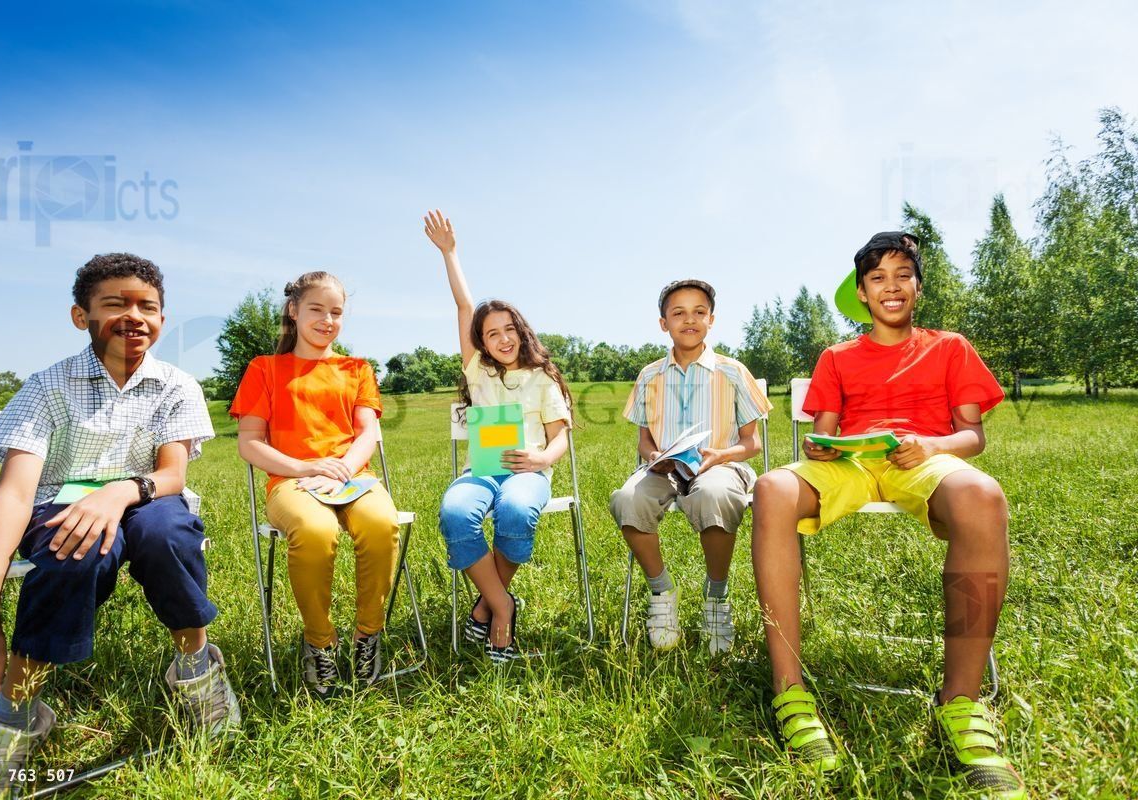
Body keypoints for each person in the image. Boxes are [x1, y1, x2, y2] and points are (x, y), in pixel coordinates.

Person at [0, 253, 239, 798]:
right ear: (81, 316)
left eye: (147, 306)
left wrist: (120, 491)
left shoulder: (175, 384)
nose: (133, 316)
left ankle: (196, 669)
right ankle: (16, 713)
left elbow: (171, 474)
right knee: (75, 550)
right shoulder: (47, 387)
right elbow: (15, 492)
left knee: (168, 534)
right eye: (114, 304)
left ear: (162, 320)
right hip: (59, 504)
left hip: (148, 498)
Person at [750, 232, 1024, 798]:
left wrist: (930, 445)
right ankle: (790, 694)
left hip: (918, 458)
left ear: (918, 287)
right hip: (854, 465)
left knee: (984, 496)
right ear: (862, 292)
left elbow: (972, 435)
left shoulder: (949, 347)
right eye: (878, 278)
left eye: (903, 275)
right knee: (773, 486)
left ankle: (963, 704)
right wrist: (822, 447)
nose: (891, 286)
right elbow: (821, 434)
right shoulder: (837, 357)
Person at [232, 271, 399, 691]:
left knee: (382, 524)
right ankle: (320, 643)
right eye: (317, 309)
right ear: (294, 311)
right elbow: (250, 444)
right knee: (314, 528)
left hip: (352, 477)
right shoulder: (265, 369)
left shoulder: (356, 368)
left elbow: (367, 434)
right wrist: (308, 468)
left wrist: (342, 467)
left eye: (336, 312)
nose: (328, 320)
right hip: (292, 481)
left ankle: (368, 635)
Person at [424, 209, 573, 663]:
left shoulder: (543, 378)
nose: (502, 338)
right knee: (455, 512)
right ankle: (503, 602)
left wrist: (543, 460)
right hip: (481, 470)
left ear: (521, 331)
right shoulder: (478, 372)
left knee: (514, 510)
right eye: (492, 333)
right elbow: (464, 307)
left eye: (509, 329)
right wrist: (450, 253)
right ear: (481, 342)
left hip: (527, 471)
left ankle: (491, 610)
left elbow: (560, 437)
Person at [609, 279, 770, 654]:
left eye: (699, 312)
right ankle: (662, 592)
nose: (689, 320)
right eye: (678, 313)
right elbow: (644, 439)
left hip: (720, 465)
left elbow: (753, 443)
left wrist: (719, 456)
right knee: (626, 500)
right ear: (663, 323)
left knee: (712, 493)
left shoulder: (731, 372)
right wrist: (652, 457)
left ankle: (716, 598)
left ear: (712, 319)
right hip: (665, 470)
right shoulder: (650, 375)